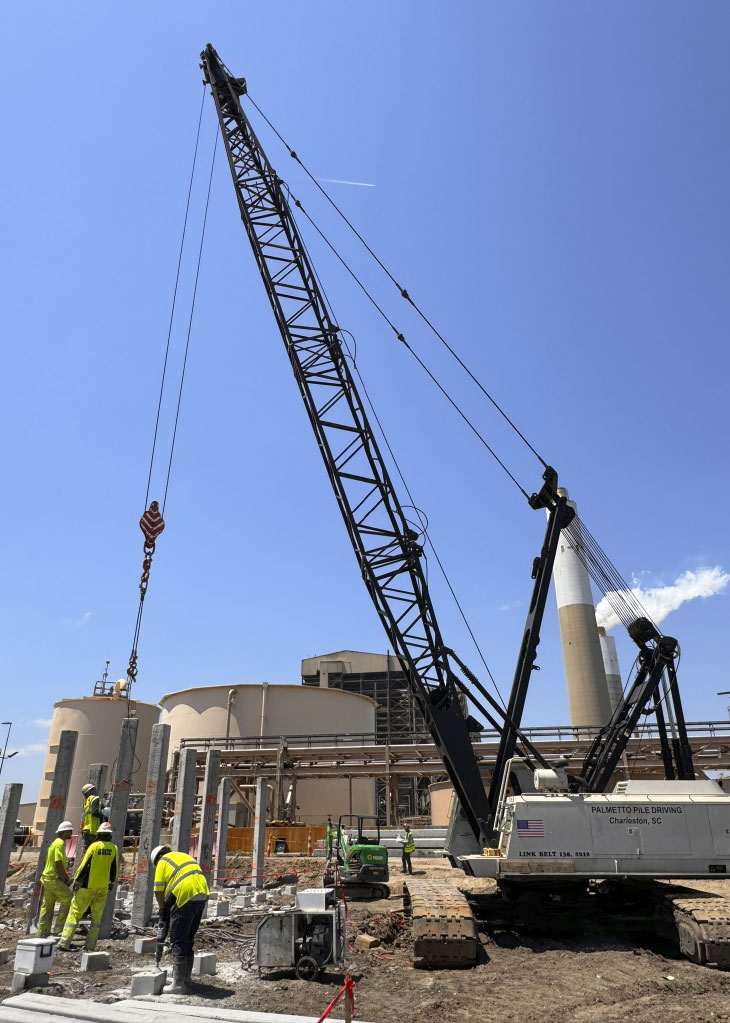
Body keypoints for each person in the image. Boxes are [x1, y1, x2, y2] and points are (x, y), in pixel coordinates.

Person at [151, 844, 210, 994]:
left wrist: (163, 909)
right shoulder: (184, 856)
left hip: (185, 894)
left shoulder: (162, 862)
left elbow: (158, 890)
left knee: (177, 939)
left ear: (156, 859)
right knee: (188, 937)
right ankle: (186, 978)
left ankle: (177, 984)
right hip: (202, 895)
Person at [57, 821, 118, 951]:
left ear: (99, 834)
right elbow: (114, 868)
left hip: (87, 887)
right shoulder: (114, 848)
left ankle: (64, 942)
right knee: (96, 917)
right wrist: (112, 883)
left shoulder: (94, 846)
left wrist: (76, 881)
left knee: (75, 913)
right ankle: (90, 945)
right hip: (102, 888)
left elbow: (84, 865)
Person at [37, 821, 74, 937]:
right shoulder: (59, 843)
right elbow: (58, 863)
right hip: (53, 878)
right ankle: (59, 930)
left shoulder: (54, 843)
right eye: (69, 831)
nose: (71, 833)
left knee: (47, 905)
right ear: (63, 832)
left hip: (47, 877)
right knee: (68, 898)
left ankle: (43, 932)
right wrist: (66, 878)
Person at [81, 783, 103, 853]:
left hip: (86, 829)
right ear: (90, 791)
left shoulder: (85, 802)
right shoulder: (95, 798)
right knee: (96, 851)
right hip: (94, 830)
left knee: (89, 851)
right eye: (93, 790)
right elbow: (94, 812)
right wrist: (104, 817)